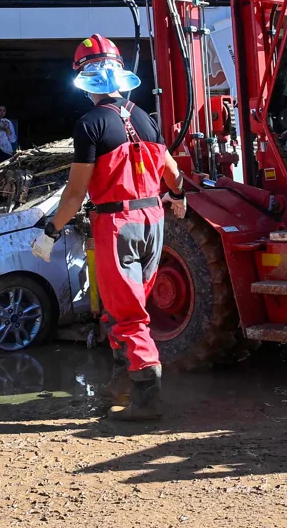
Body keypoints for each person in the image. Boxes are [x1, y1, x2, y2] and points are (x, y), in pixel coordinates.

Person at [31, 35, 186, 422]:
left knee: (129, 313)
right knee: (123, 310)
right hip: (153, 221)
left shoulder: (89, 125)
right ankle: (119, 389)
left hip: (117, 224)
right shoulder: (145, 117)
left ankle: (146, 398)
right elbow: (173, 174)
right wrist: (179, 198)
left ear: (84, 81)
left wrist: (49, 232)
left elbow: (74, 195)